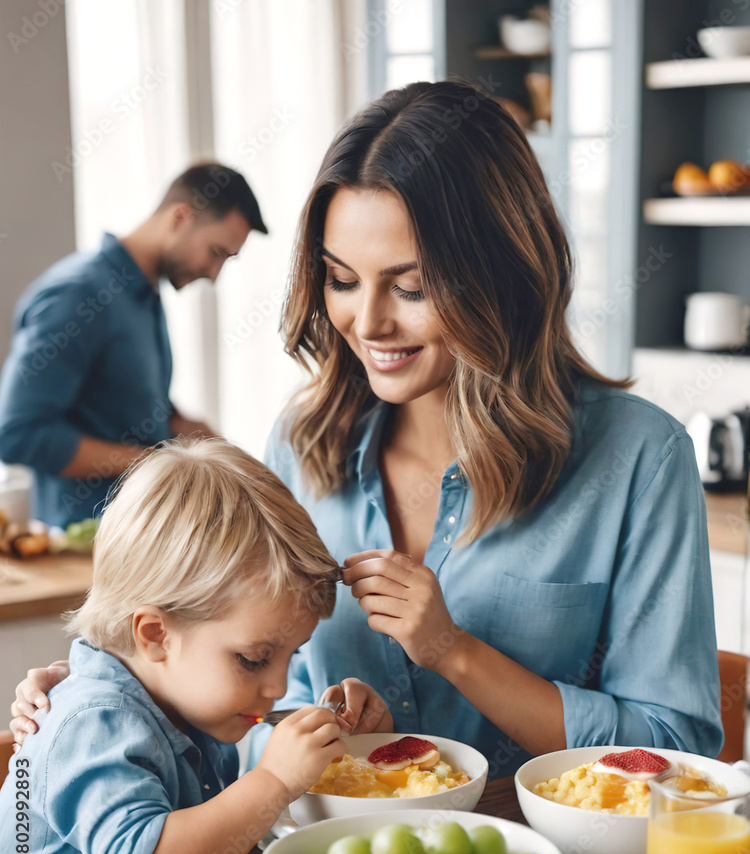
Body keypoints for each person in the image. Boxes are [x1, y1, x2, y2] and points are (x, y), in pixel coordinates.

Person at [10, 80, 723, 779]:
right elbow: (236, 706)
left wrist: (455, 652)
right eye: (342, 280)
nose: (369, 322)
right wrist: (99, 695)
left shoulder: (639, 460)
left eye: (411, 287)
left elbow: (674, 750)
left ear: (504, 273)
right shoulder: (300, 442)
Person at [0, 437, 391, 854]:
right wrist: (274, 778)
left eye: (292, 656)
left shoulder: (187, 703)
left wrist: (337, 746)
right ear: (156, 635)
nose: (280, 687)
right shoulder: (93, 722)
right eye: (253, 659)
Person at [0, 162, 267, 528]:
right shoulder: (78, 294)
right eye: (216, 252)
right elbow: (17, 434)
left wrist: (204, 440)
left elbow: (124, 410)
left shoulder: (143, 297)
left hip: (142, 540)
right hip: (88, 552)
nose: (213, 273)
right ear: (181, 217)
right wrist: (154, 462)